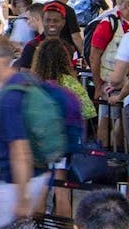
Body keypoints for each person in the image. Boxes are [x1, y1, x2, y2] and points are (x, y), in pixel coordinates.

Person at [0, 34, 50, 229]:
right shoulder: (26, 80)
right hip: (37, 174)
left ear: (1, 59)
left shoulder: (9, 96)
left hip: (15, 183)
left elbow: (19, 149)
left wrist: (22, 199)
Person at [34, 38, 96, 218]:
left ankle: (35, 228)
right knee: (62, 188)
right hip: (64, 142)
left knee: (41, 186)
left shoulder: (36, 83)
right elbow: (89, 111)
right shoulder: (70, 83)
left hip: (41, 142)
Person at [90, 0, 129, 151]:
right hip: (109, 82)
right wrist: (97, 85)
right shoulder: (108, 24)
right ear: (126, 5)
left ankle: (120, 155)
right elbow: (94, 55)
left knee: (122, 121)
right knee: (107, 118)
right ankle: (104, 155)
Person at [15, 2, 77, 72]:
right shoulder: (31, 46)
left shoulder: (69, 48)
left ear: (63, 22)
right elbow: (25, 75)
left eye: (56, 21)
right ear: (43, 21)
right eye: (48, 20)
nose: (52, 24)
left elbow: (72, 73)